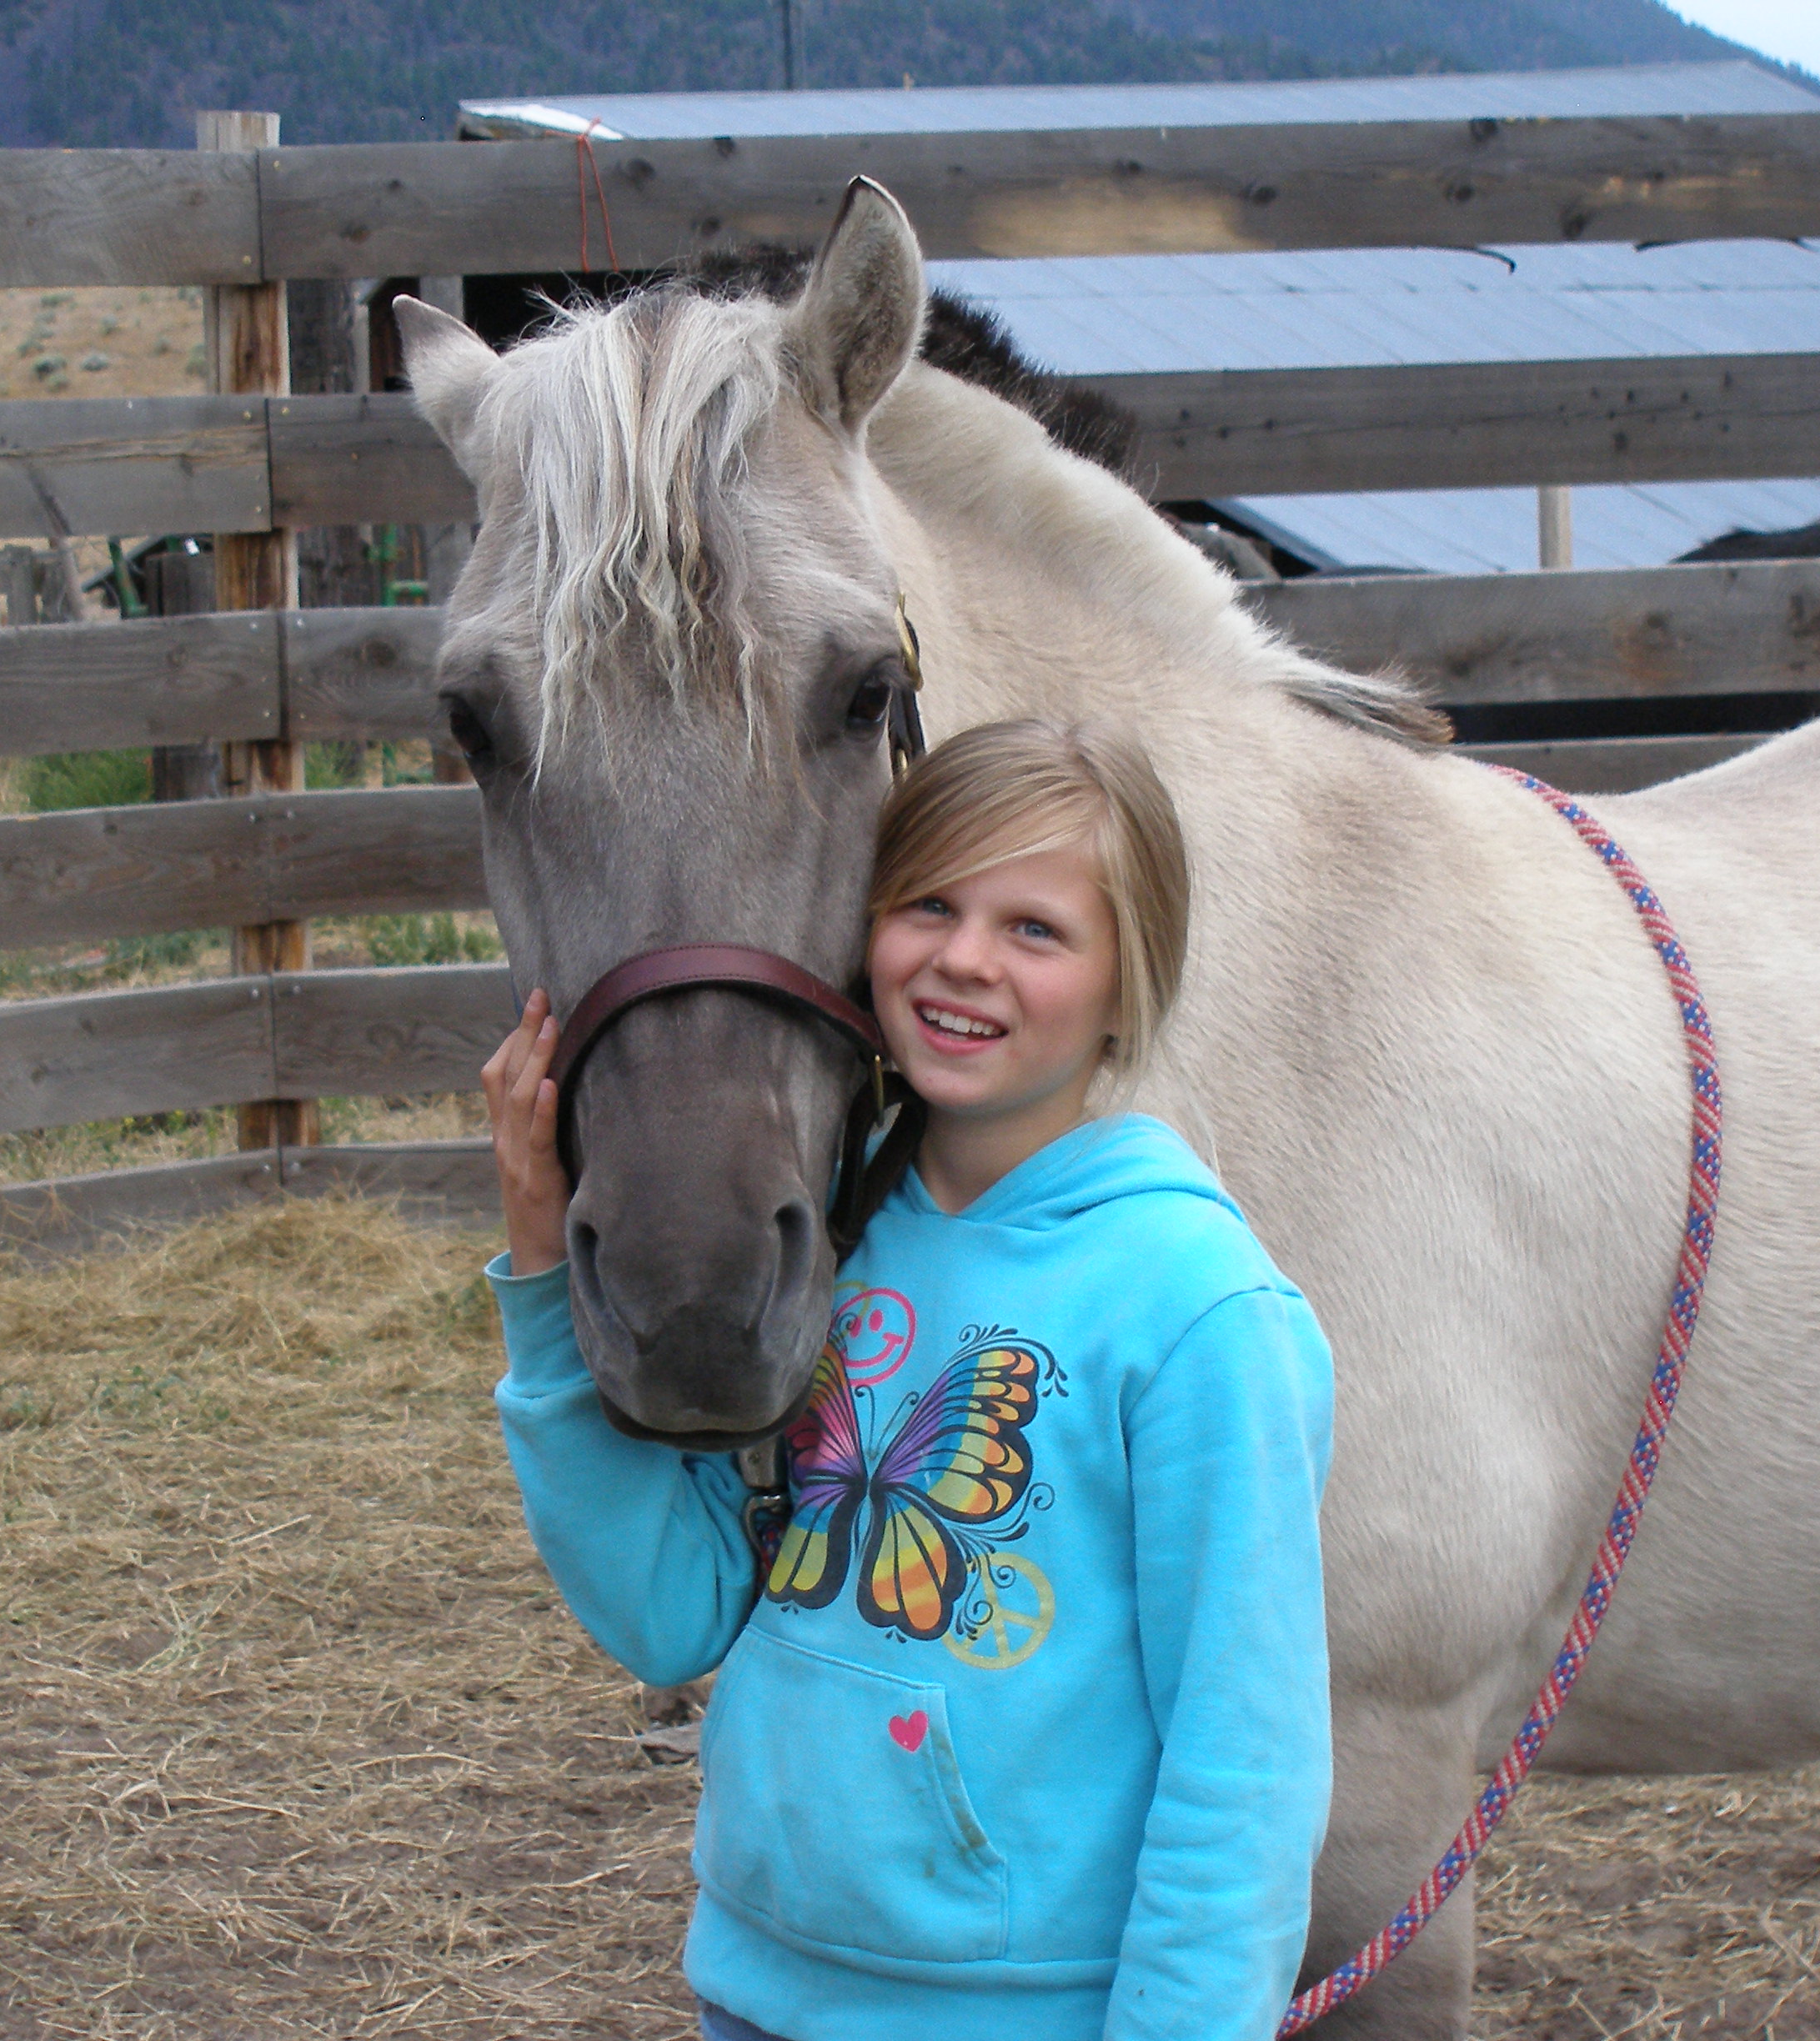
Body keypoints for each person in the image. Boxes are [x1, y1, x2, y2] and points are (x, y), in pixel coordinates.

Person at [479, 719, 1335, 2041]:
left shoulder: (1194, 1311)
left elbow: (1246, 1762)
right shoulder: (826, 1241)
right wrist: (547, 1281)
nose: (965, 958)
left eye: (1036, 929)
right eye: (929, 903)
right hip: (757, 1989)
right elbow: (670, 1613)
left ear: (1131, 982)